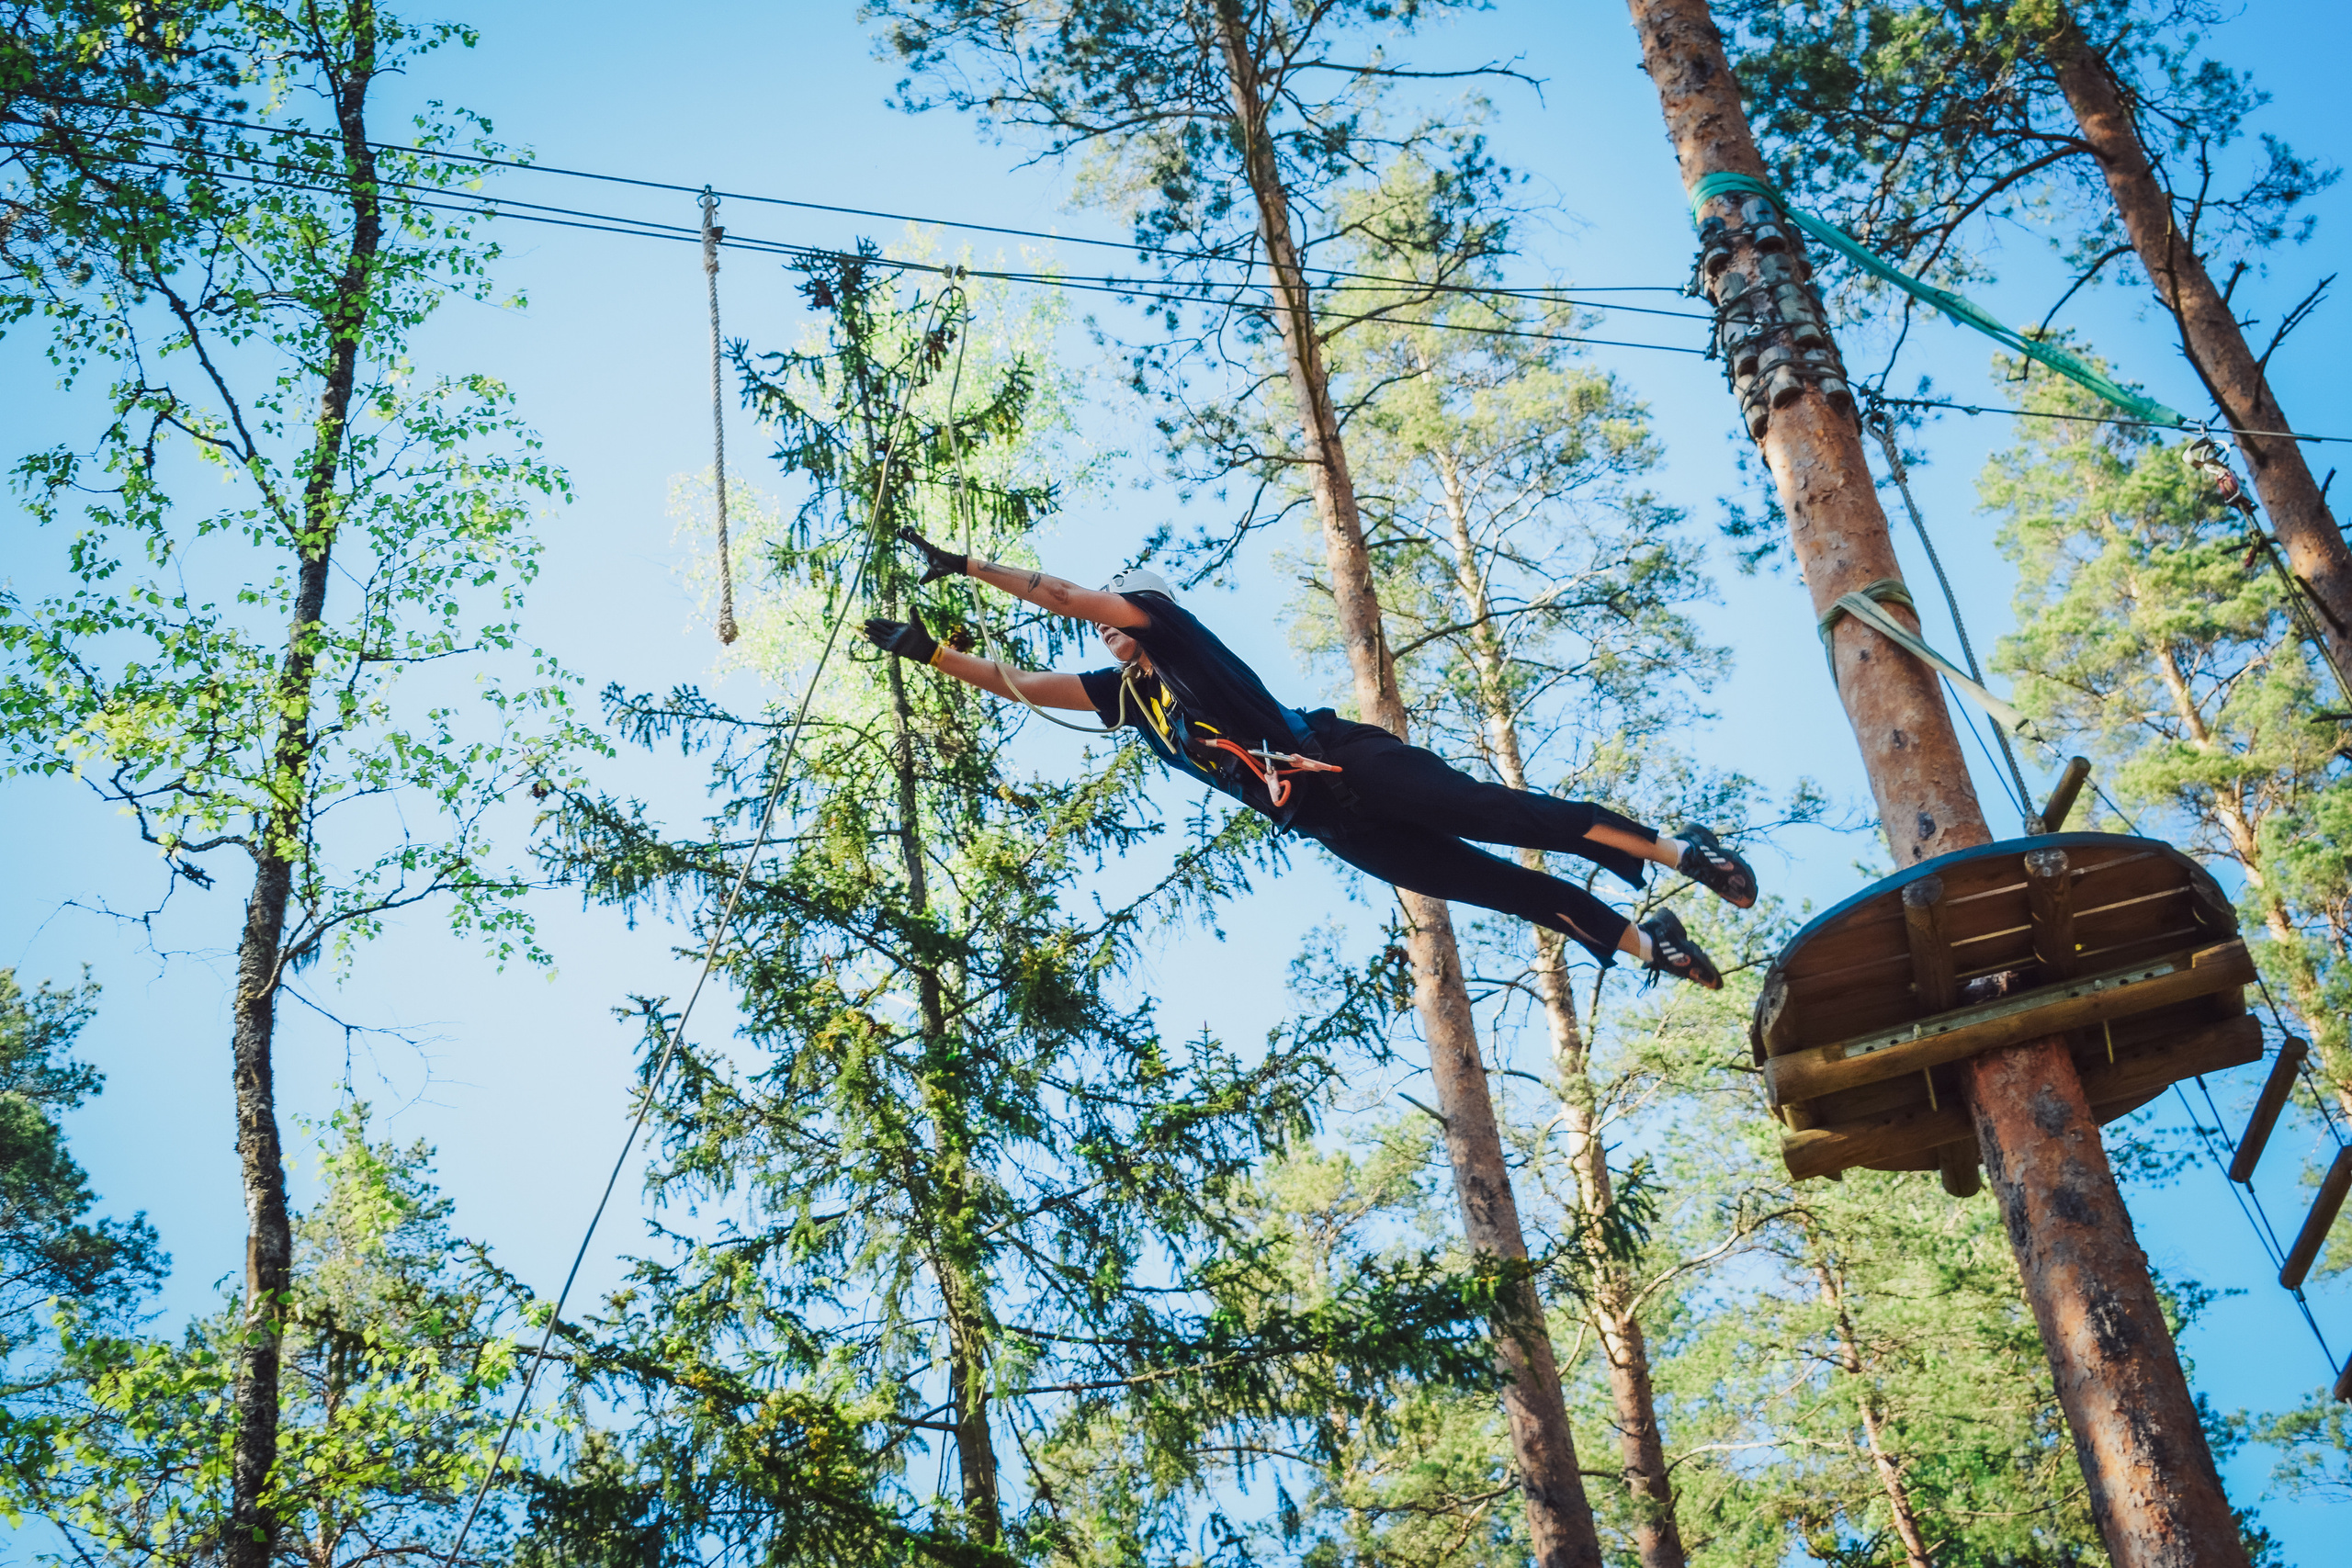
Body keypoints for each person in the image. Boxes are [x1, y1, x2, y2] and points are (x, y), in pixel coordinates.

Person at [863, 529, 1754, 989]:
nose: (1102, 621)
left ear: (1143, 608)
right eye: (1106, 617)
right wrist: (926, 651)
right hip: (1328, 823)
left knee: (1500, 816)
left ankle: (1685, 855)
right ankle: (1650, 945)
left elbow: (1060, 595)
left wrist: (968, 566)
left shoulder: (1169, 633)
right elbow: (1016, 683)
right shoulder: (1129, 699)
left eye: (1114, 608)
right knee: (1499, 890)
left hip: (1343, 762)